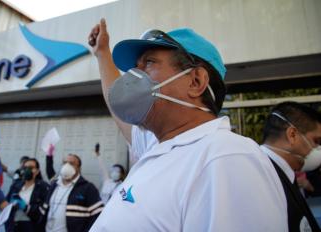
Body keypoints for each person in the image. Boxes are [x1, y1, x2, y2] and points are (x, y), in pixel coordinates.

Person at [87, 19, 287, 231]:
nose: (133, 77)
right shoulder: (160, 146)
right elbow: (118, 106)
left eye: (148, 63)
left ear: (196, 82)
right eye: (135, 67)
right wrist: (102, 54)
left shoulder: (226, 158)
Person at [260, 101, 321, 231]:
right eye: (316, 141)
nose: (318, 149)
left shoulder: (282, 172)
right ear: (292, 135)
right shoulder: (261, 177)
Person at [44, 152, 103, 232]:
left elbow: (98, 216)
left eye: (71, 163)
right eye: (65, 163)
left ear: (79, 168)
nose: (67, 166)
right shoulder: (54, 185)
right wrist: (49, 156)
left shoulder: (88, 188)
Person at [6, 158, 49, 231]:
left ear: (37, 171)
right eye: (25, 168)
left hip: (31, 226)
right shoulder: (16, 185)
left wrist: (26, 207)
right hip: (14, 225)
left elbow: (43, 211)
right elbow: (6, 203)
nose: (27, 170)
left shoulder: (43, 187)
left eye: (31, 168)